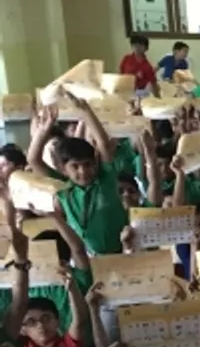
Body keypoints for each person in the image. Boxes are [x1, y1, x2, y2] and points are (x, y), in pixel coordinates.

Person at [27, 104, 129, 257]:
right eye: (75, 166)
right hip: (88, 258)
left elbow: (102, 143)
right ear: (63, 169)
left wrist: (86, 111)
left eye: (87, 164)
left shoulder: (105, 179)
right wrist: (42, 131)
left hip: (122, 251)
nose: (83, 171)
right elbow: (33, 160)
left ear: (95, 163)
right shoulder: (63, 187)